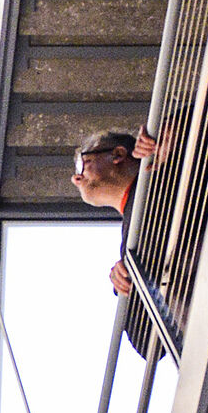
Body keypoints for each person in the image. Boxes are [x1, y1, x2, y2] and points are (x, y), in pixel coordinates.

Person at [70, 128, 172, 361]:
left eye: (81, 164)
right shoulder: (130, 244)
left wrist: (172, 126)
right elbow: (149, 345)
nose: (76, 178)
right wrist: (128, 287)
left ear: (117, 154)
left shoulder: (166, 171)